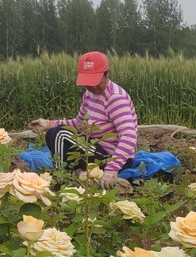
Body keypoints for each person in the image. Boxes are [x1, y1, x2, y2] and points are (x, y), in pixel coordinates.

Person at [31, 51, 137, 189]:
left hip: (110, 157)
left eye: (96, 81)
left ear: (107, 73)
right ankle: (74, 173)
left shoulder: (114, 98)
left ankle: (61, 181)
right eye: (88, 82)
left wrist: (111, 171)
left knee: (61, 134)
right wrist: (48, 124)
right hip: (94, 150)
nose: (92, 86)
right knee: (52, 133)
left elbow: (129, 135)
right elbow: (79, 124)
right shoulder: (89, 95)